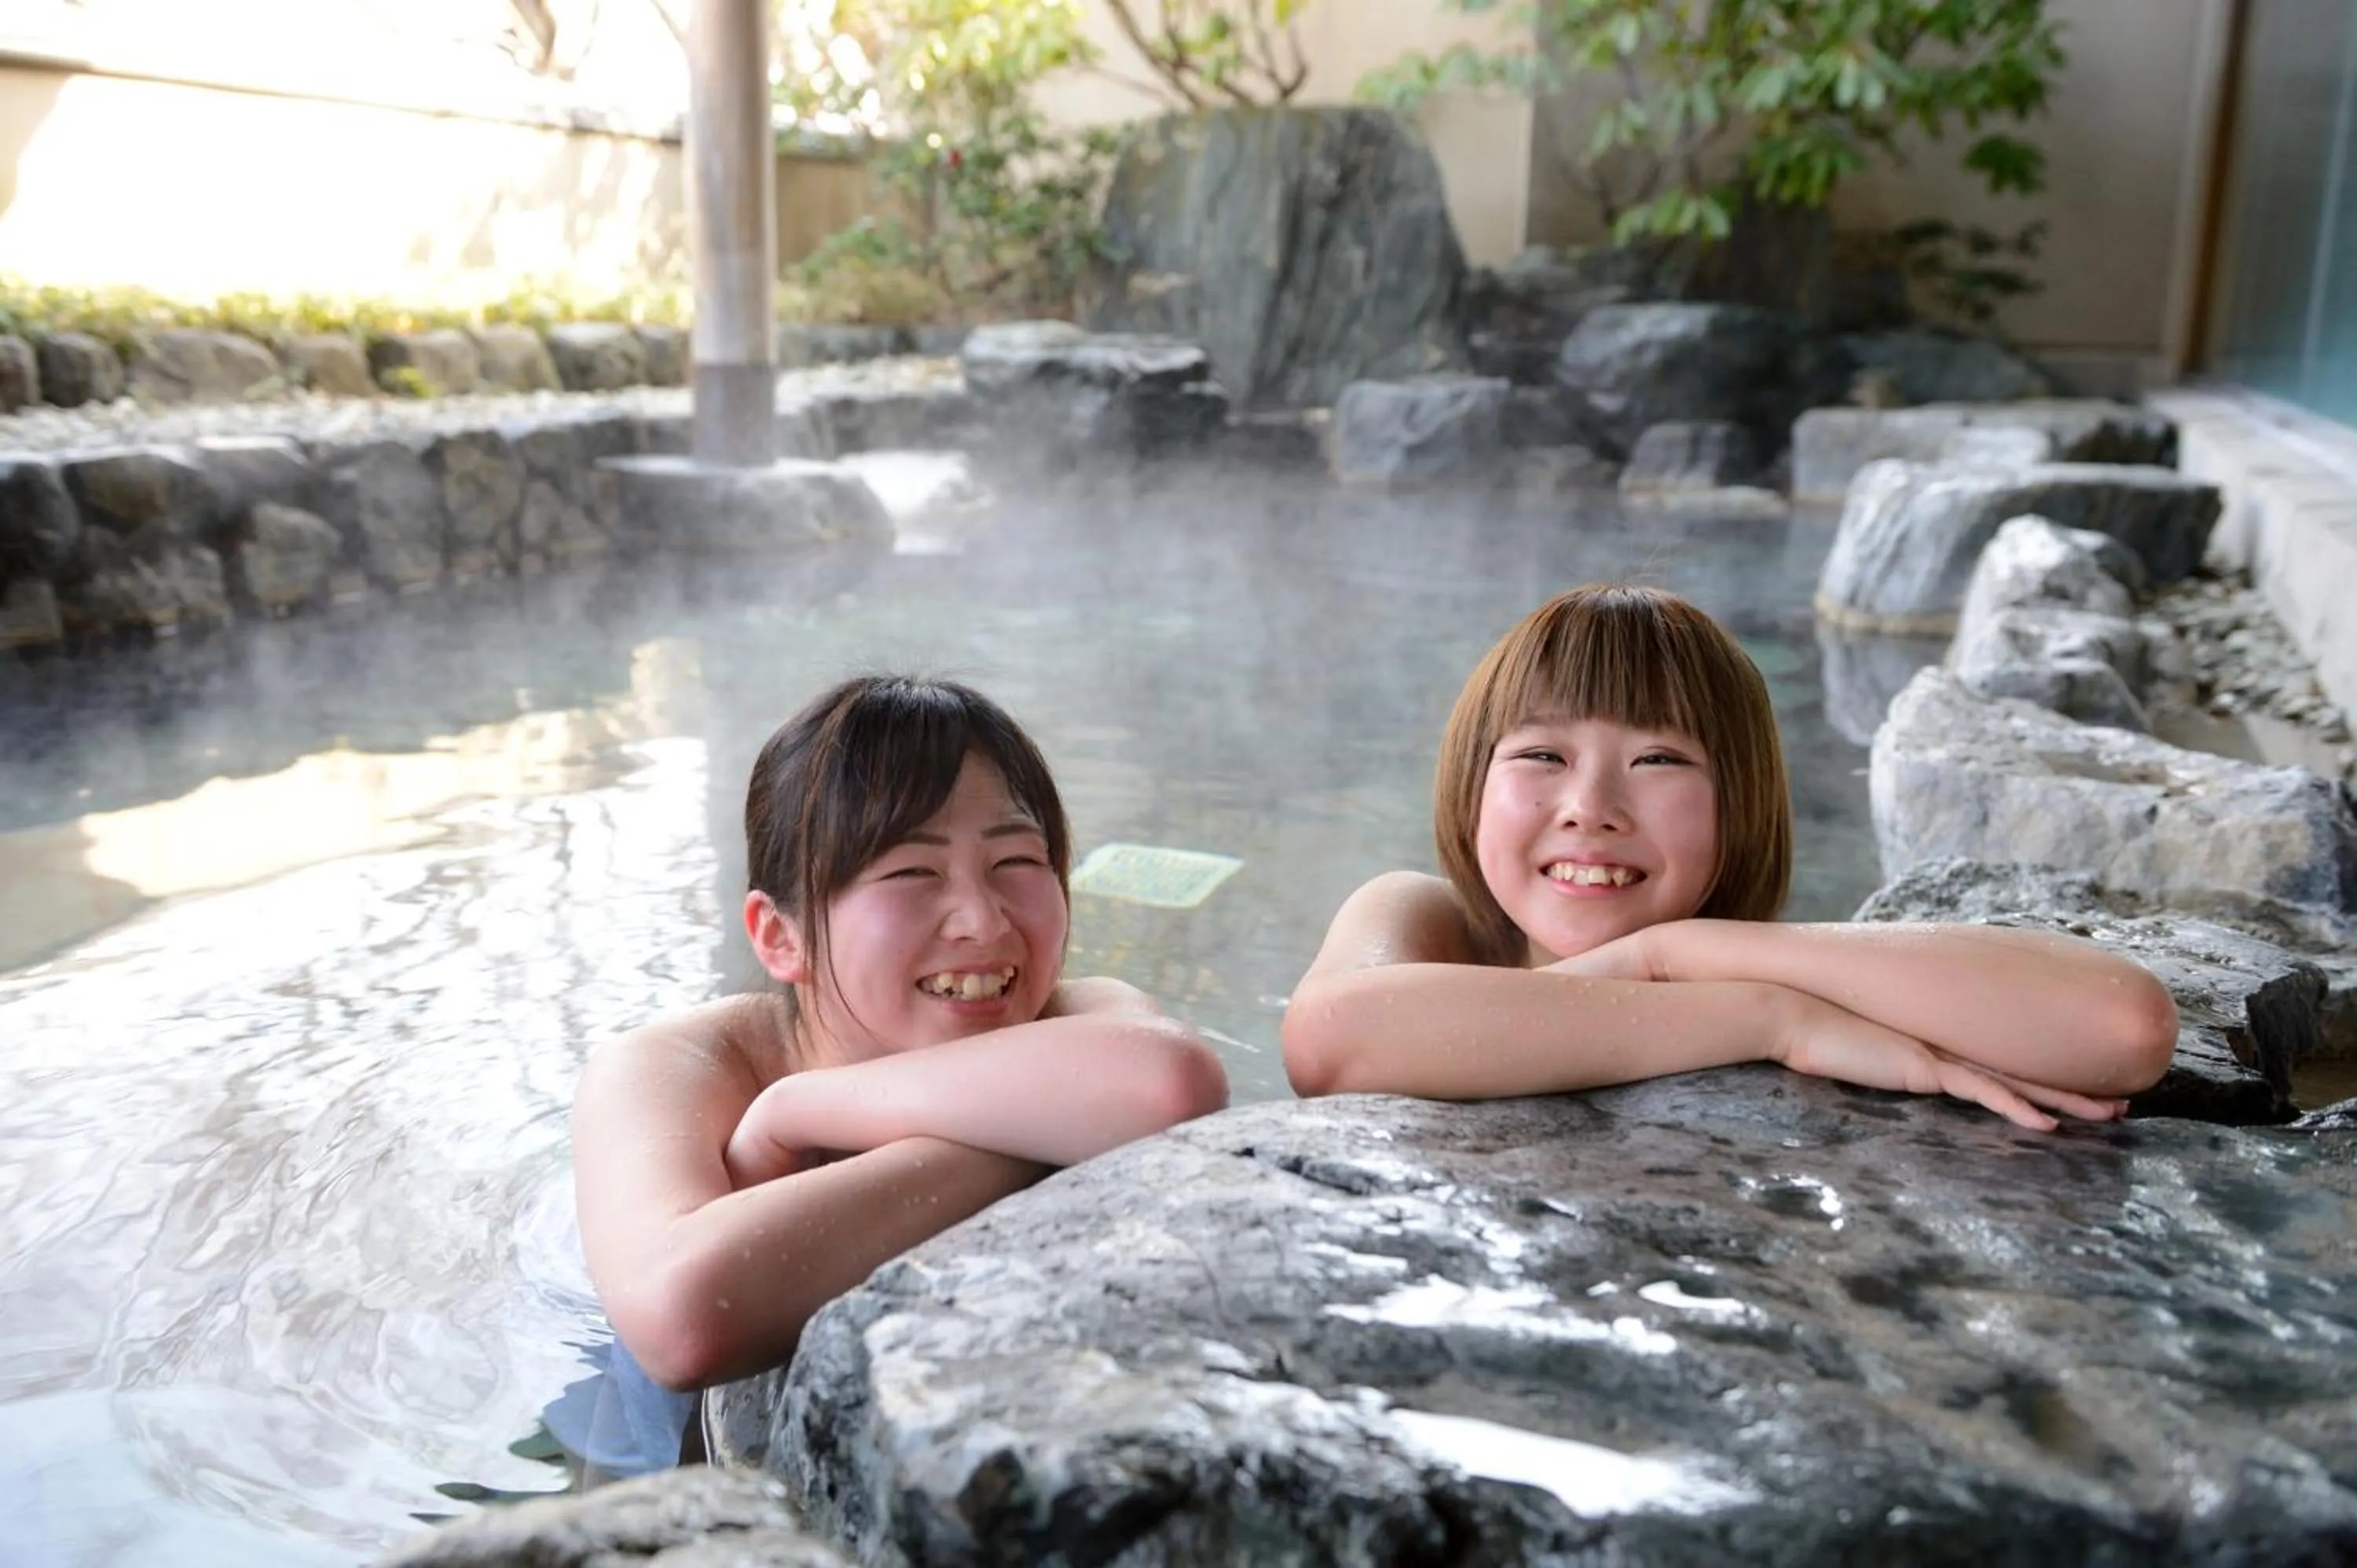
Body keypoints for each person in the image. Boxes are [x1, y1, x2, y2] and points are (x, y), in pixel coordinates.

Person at [569, 675, 1230, 1452]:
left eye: (1017, 860)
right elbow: (682, 1320)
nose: (983, 920)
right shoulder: (677, 1066)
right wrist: (1041, 1139)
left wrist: (800, 1109)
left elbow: (1173, 1085)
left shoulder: (1079, 1013)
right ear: (781, 936)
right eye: (912, 872)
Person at [1283, 584, 2178, 1129]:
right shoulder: (1426, 916)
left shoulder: (1771, 962)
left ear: (1738, 802)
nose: (1590, 807)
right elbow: (1331, 1043)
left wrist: (1678, 951)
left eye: (1658, 760)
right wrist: (1768, 1020)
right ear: (1471, 783)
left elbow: (2122, 1026)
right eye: (1542, 754)